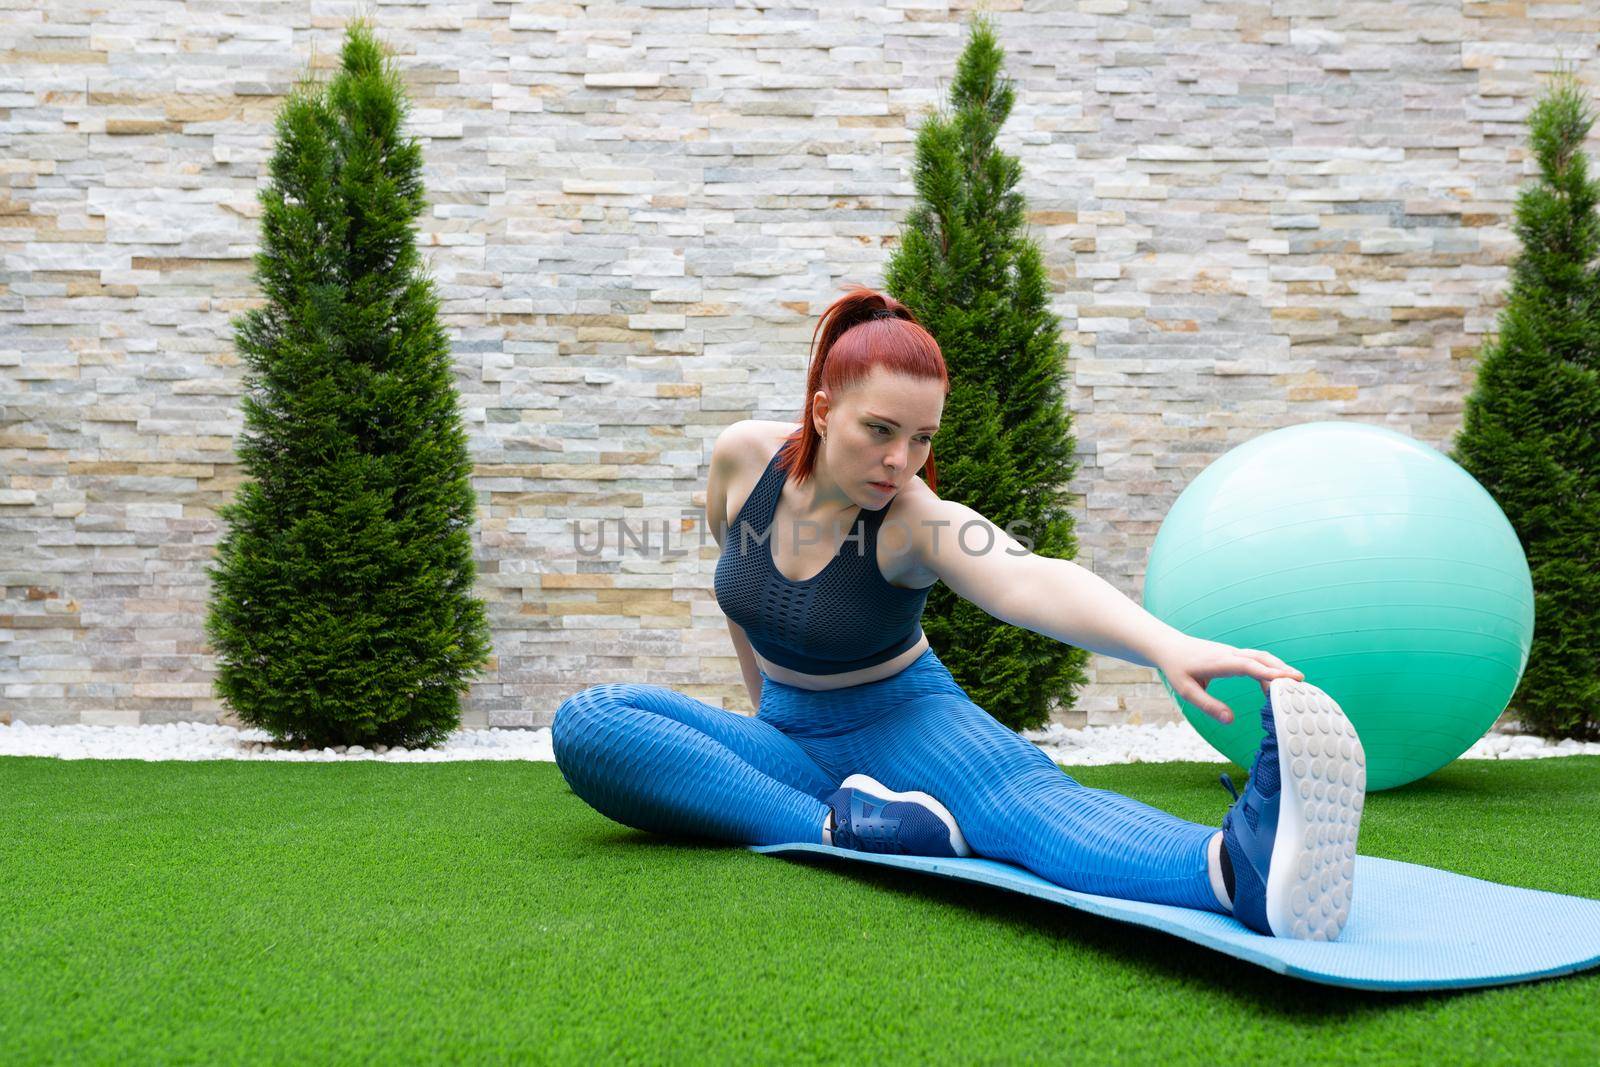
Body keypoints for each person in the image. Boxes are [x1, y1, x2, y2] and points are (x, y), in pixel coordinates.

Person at [553, 286, 1366, 942]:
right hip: (791, 736)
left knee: (1025, 808)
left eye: (920, 437)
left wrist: (1165, 644)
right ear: (823, 405)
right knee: (592, 721)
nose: (899, 460)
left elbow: (1031, 578)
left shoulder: (915, 518)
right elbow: (739, 588)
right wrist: (765, 712)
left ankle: (1233, 868)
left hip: (906, 720)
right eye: (879, 429)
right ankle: (843, 827)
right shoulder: (743, 458)